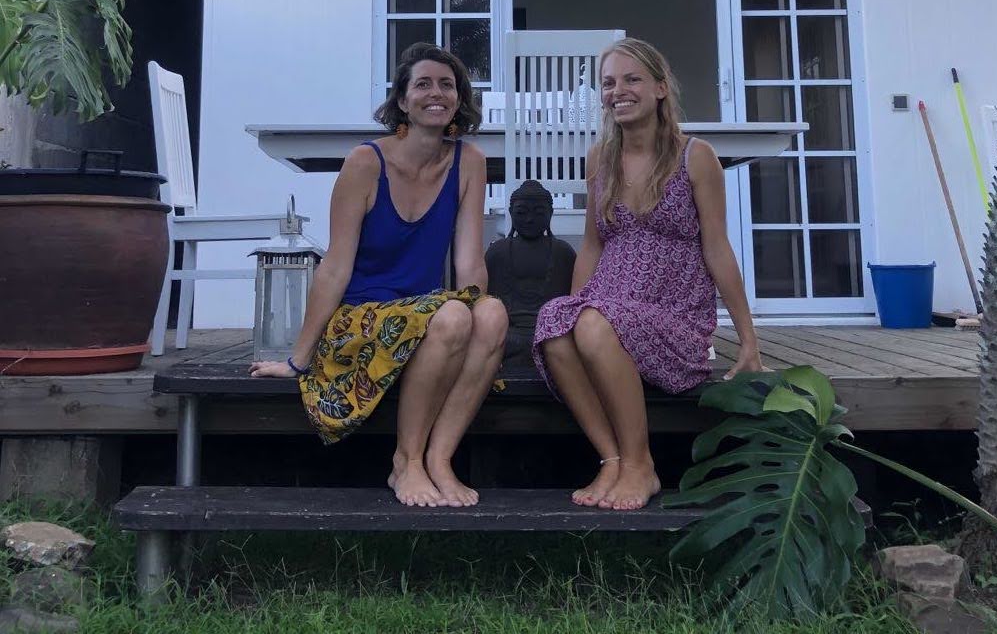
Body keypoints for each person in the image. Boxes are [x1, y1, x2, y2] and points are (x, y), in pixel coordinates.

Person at [250, 43, 508, 509]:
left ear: (459, 99)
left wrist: (479, 320)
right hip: (361, 317)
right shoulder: (365, 163)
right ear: (403, 101)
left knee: (490, 314)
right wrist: (298, 359)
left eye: (447, 85)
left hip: (429, 314)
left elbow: (470, 263)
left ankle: (439, 458)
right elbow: (335, 266)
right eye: (423, 84)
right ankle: (405, 462)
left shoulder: (469, 161)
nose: (436, 93)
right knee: (453, 315)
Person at [533, 37, 763, 512]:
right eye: (608, 83)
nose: (618, 91)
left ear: (660, 88)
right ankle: (612, 459)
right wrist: (574, 310)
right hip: (605, 307)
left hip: (671, 314)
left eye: (632, 79)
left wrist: (748, 340)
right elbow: (593, 244)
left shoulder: (695, 155)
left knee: (592, 322)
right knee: (555, 324)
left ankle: (641, 465)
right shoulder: (599, 158)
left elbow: (717, 248)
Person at [485, 179, 576, 368]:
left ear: (550, 214)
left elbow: (567, 304)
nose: (529, 219)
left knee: (561, 344)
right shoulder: (498, 252)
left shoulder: (563, 253)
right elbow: (491, 302)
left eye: (539, 213)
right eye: (521, 213)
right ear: (511, 213)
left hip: (549, 332)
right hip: (510, 332)